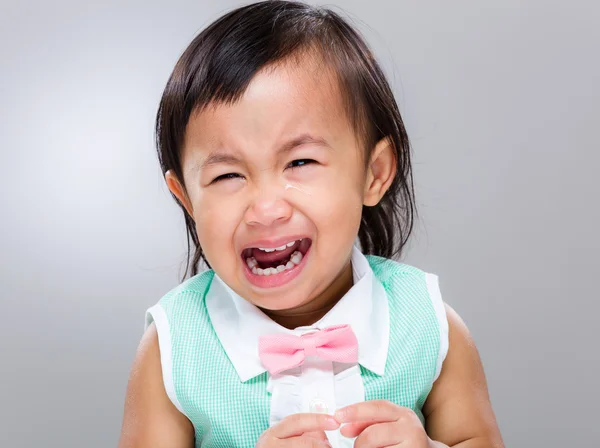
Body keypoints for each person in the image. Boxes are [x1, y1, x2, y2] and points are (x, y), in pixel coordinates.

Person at [118, 1, 504, 447]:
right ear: (185, 198)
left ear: (373, 174)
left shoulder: (427, 322)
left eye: (300, 161)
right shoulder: (173, 347)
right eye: (227, 175)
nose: (266, 208)